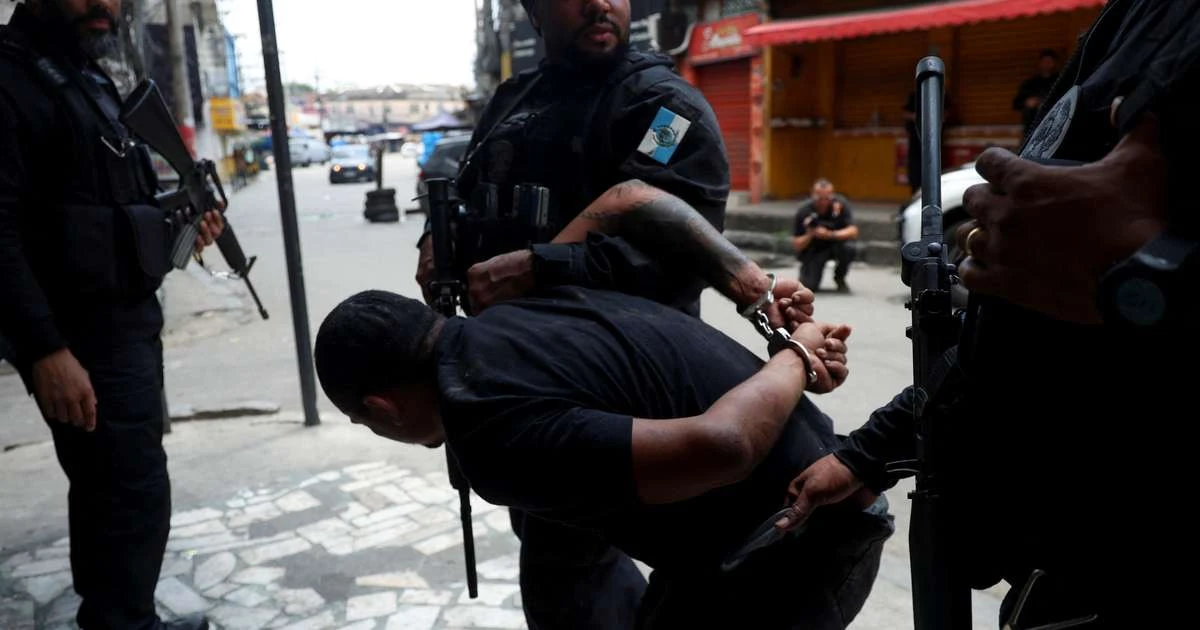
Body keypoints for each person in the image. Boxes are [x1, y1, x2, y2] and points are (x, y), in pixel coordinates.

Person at [777, 1, 1200, 627]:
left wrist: (1160, 275)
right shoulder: (1130, 21)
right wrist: (869, 452)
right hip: (1053, 565)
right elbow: (1012, 341)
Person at [313, 279, 892, 629]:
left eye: (365, 423)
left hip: (804, 536)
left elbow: (725, 445)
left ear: (383, 408)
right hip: (752, 531)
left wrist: (793, 355)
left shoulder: (488, 433)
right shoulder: (508, 320)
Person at [413, 0, 731, 626]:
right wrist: (435, 237)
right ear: (533, 12)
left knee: (569, 572)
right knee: (557, 543)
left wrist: (538, 267)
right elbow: (472, 191)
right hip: (521, 372)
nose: (598, 4)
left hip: (619, 382)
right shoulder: (514, 98)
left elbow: (675, 251)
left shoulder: (662, 110)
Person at [0, 2, 224, 629]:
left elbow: (111, 206)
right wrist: (44, 349)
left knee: (116, 489)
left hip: (123, 327)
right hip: (77, 338)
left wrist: (181, 221)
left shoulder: (85, 79)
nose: (105, 5)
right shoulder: (12, 81)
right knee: (129, 492)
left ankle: (119, 615)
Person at [793, 179, 859, 293]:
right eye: (820, 198)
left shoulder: (840, 205)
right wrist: (811, 234)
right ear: (813, 195)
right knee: (809, 287)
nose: (823, 202)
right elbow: (797, 244)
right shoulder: (804, 210)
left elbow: (853, 231)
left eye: (827, 198)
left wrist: (830, 235)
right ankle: (807, 272)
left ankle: (839, 277)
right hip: (815, 248)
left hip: (835, 244)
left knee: (850, 248)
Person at [1011, 49, 1060, 138]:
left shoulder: (1061, 82)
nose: (1047, 64)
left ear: (1054, 63)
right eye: (1045, 61)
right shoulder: (1030, 83)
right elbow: (1016, 104)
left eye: (1050, 61)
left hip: (1054, 125)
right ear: (1040, 63)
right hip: (1032, 127)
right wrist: (1027, 102)